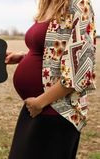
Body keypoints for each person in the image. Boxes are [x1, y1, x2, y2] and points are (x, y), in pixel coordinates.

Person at [5, 0, 96, 158]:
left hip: (58, 110)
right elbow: (52, 52)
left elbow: (80, 70)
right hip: (35, 108)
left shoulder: (80, 5)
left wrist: (40, 102)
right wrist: (24, 57)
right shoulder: (48, 5)